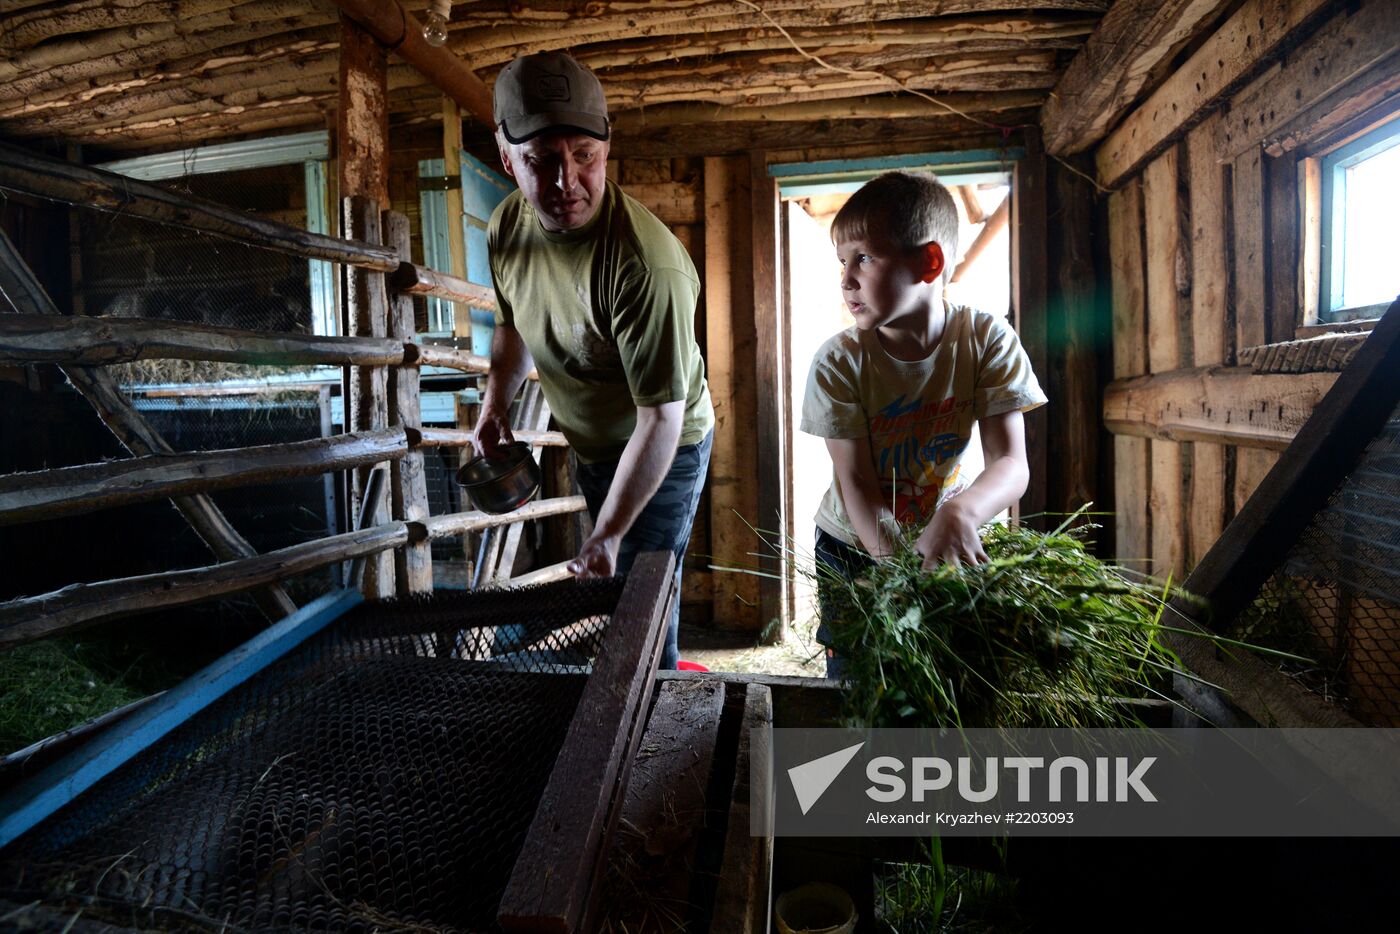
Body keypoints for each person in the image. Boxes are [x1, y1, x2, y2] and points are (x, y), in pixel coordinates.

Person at [474, 51, 714, 669]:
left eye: (584, 157)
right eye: (541, 162)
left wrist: (604, 536)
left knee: (638, 595)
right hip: (596, 444)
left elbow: (660, 420)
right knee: (615, 585)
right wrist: (495, 400)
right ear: (507, 159)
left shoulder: (643, 265)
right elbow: (511, 322)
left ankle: (649, 723)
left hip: (667, 443)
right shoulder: (507, 227)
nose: (566, 183)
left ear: (607, 147)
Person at [799, 171, 1047, 679]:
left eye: (864, 258)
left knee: (951, 678)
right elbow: (857, 483)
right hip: (855, 547)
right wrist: (897, 568)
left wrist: (963, 512)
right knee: (862, 680)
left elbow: (1010, 463)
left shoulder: (986, 340)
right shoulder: (839, 364)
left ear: (929, 262)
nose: (846, 280)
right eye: (841, 263)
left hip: (952, 539)